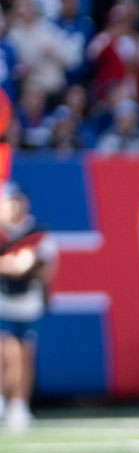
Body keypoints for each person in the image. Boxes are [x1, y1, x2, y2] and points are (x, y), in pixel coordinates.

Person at [0, 184, 55, 429]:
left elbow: (48, 268)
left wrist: (30, 267)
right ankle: (2, 400)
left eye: (17, 201)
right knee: (5, 351)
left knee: (24, 353)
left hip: (27, 300)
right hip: (2, 298)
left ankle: (20, 404)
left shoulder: (38, 234)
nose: (14, 206)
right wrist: (9, 264)